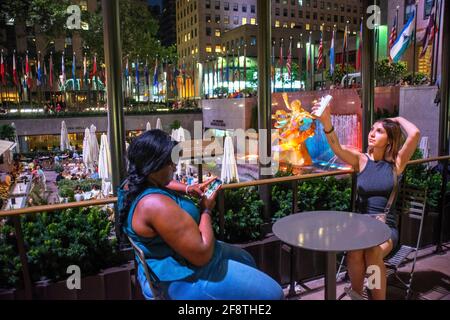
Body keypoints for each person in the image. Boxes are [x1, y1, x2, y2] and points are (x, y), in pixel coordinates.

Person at [119, 130, 284, 300]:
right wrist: (206, 209)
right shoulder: (155, 205)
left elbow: (164, 182)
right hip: (184, 275)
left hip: (174, 261)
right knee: (275, 294)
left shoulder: (132, 184)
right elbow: (202, 255)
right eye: (170, 163)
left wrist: (188, 188)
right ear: (153, 166)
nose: (175, 167)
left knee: (246, 259)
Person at [312, 102, 420, 300]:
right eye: (372, 129)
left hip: (386, 227)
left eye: (379, 131)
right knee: (354, 251)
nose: (372, 133)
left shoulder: (396, 163)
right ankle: (357, 294)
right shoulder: (360, 160)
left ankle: (377, 297)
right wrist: (327, 122)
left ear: (389, 140)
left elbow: (415, 134)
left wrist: (396, 120)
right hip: (361, 225)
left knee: (372, 251)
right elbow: (337, 147)